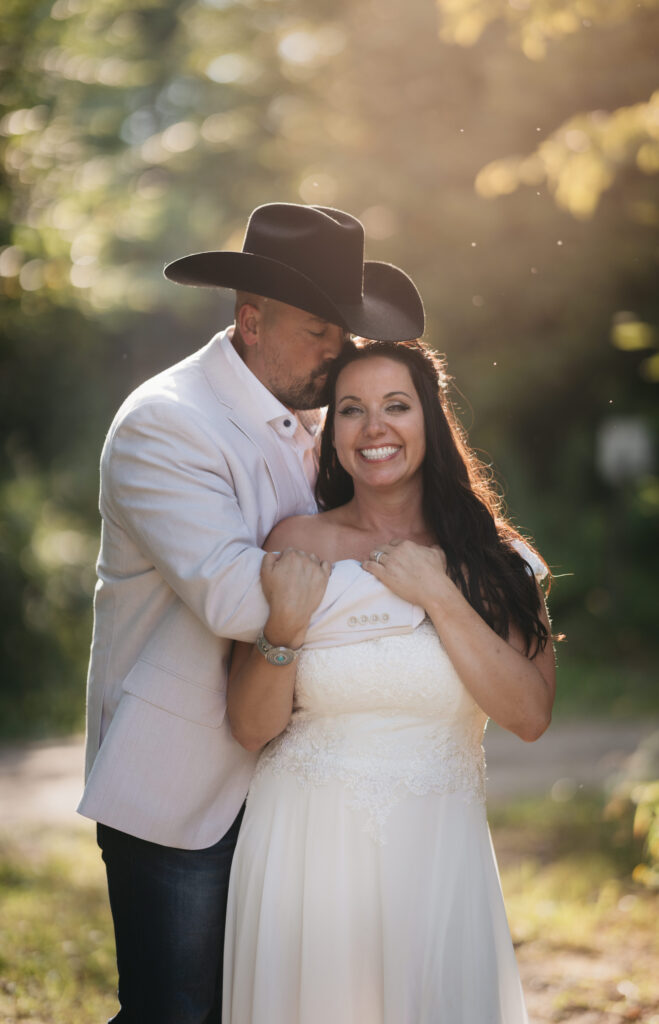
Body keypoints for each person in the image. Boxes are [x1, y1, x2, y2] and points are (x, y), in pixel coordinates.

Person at [76, 204, 425, 1024]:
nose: (336, 357)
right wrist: (421, 594)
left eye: (342, 338)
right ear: (250, 321)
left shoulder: (314, 418)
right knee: (178, 1012)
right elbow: (242, 599)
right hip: (182, 789)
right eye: (318, 336)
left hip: (295, 785)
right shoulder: (166, 424)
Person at [222, 339, 557, 1023]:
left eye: (395, 406)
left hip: (437, 856)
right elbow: (251, 728)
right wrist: (281, 629)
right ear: (332, 435)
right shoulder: (294, 541)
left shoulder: (497, 564)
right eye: (351, 411)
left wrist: (439, 595)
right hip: (303, 855)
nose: (374, 428)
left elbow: (527, 715)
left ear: (429, 423)